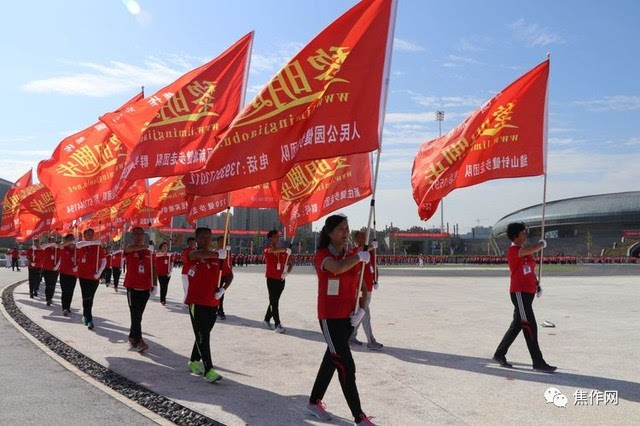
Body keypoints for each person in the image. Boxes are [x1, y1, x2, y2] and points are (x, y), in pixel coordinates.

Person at [306, 214, 374, 425]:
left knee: (331, 360)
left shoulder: (351, 253)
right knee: (345, 365)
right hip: (330, 317)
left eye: (347, 228)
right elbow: (336, 268)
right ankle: (359, 416)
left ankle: (314, 401)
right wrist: (359, 256)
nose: (346, 232)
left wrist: (362, 310)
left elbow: (361, 284)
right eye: (341, 229)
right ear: (329, 232)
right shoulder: (322, 255)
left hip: (349, 317)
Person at [493, 222, 556, 373]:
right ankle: (538, 362)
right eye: (523, 232)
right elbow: (530, 250)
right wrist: (540, 244)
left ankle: (499, 354)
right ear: (515, 235)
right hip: (519, 293)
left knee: (517, 326)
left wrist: (536, 284)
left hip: (528, 293)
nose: (525, 235)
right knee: (530, 326)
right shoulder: (514, 250)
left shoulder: (524, 252)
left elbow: (529, 270)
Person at [184, 227, 227, 383]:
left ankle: (194, 360)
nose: (206, 240)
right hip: (196, 300)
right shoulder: (191, 253)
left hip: (213, 301)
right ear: (196, 239)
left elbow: (229, 275)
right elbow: (197, 254)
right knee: (204, 334)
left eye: (209, 237)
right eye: (202, 237)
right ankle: (209, 370)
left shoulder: (219, 257)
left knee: (203, 333)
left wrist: (223, 289)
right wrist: (217, 254)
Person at [124, 227, 157, 352]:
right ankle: (139, 341)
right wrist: (146, 248)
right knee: (135, 314)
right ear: (132, 237)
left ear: (144, 236)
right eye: (135, 235)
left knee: (138, 315)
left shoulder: (150, 251)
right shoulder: (129, 248)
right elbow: (129, 249)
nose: (138, 237)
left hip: (145, 287)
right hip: (132, 287)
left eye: (140, 235)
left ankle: (132, 336)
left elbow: (153, 267)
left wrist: (155, 285)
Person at [349, 231, 383, 350]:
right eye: (361, 237)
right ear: (356, 239)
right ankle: (371, 341)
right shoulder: (356, 251)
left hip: (369, 287)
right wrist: (372, 246)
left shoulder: (371, 251)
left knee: (361, 313)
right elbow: (361, 250)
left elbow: (375, 266)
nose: (364, 238)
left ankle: (351, 337)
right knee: (365, 314)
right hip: (360, 288)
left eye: (365, 236)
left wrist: (376, 280)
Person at [261, 229, 292, 333]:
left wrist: (287, 272)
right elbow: (272, 251)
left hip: (281, 279)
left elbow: (290, 263)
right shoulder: (267, 248)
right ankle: (277, 324)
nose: (277, 239)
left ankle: (266, 320)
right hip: (271, 279)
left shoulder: (282, 251)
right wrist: (284, 250)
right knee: (274, 302)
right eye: (275, 237)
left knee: (274, 301)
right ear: (270, 238)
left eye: (278, 237)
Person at [76, 229, 106, 330]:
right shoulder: (81, 245)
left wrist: (99, 273)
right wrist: (94, 242)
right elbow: (78, 245)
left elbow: (104, 261)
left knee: (90, 297)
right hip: (83, 276)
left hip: (94, 276)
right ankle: (89, 319)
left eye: (92, 234)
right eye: (88, 234)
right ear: (84, 235)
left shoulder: (97, 247)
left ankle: (85, 315)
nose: (90, 235)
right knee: (86, 297)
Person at [58, 234, 77, 316]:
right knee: (65, 291)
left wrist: (77, 267)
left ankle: (68, 307)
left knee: (70, 291)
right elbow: (60, 245)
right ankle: (64, 308)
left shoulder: (76, 250)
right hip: (63, 273)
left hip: (73, 274)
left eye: (73, 239)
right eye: (70, 239)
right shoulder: (63, 248)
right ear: (66, 240)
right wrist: (69, 242)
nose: (72, 241)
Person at [215, 236, 233, 320]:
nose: (223, 243)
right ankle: (219, 309)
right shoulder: (215, 252)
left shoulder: (228, 252)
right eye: (221, 241)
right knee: (218, 293)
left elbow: (230, 262)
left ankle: (219, 309)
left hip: (226, 273)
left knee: (221, 292)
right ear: (218, 242)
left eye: (224, 241)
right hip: (218, 274)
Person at [41, 236, 61, 306]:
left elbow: (60, 258)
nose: (53, 242)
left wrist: (57, 266)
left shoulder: (57, 249)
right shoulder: (46, 248)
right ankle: (47, 298)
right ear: (49, 241)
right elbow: (42, 247)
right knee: (48, 284)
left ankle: (50, 298)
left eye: (54, 241)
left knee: (53, 285)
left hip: (55, 270)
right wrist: (50, 245)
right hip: (46, 269)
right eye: (52, 240)